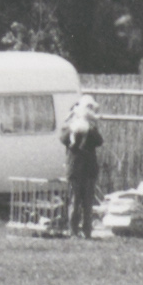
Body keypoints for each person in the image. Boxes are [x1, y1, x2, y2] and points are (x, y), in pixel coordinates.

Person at [58, 95, 104, 239]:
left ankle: (87, 231)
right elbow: (63, 139)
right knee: (75, 201)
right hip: (75, 170)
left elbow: (99, 141)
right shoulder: (69, 126)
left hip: (89, 170)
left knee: (88, 203)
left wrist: (89, 128)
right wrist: (73, 129)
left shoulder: (91, 128)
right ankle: (73, 231)